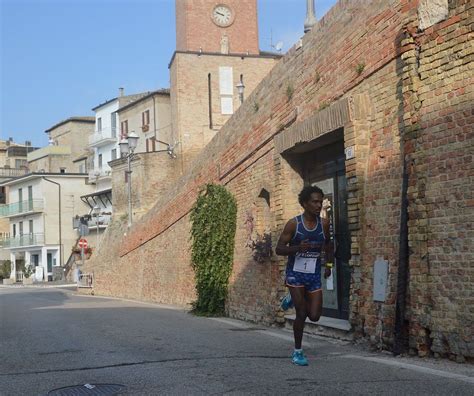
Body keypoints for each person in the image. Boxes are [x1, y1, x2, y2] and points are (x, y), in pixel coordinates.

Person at [275, 185, 333, 366]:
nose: (318, 205)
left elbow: (329, 246)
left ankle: (291, 299)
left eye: (320, 201)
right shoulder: (294, 224)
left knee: (314, 315)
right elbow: (279, 249)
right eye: (315, 201)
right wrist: (297, 248)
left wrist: (329, 264)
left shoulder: (324, 223)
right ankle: (298, 352)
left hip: (313, 274)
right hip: (295, 275)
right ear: (305, 203)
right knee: (301, 313)